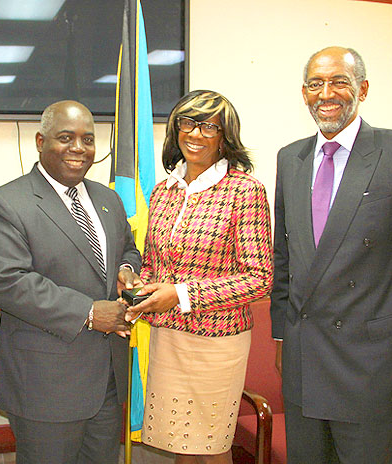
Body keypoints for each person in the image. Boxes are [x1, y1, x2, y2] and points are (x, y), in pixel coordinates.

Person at [271, 46, 392, 463]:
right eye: (316, 84)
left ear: (363, 89)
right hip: (304, 364)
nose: (326, 93)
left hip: (372, 371)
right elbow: (285, 259)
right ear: (304, 92)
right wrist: (281, 336)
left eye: (339, 82)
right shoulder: (290, 158)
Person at [0, 100, 141, 464]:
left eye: (88, 139)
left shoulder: (108, 199)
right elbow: (9, 282)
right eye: (66, 138)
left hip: (108, 382)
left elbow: (129, 248)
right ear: (40, 140)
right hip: (45, 386)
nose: (79, 148)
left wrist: (127, 269)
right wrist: (90, 313)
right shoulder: (4, 203)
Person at [125, 90, 273, 464]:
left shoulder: (244, 191)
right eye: (187, 123)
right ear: (176, 131)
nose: (195, 133)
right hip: (167, 337)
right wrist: (139, 285)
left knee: (210, 447)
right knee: (180, 445)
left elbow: (259, 277)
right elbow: (156, 263)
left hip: (217, 344)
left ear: (225, 136)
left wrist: (182, 294)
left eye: (209, 126)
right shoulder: (163, 191)